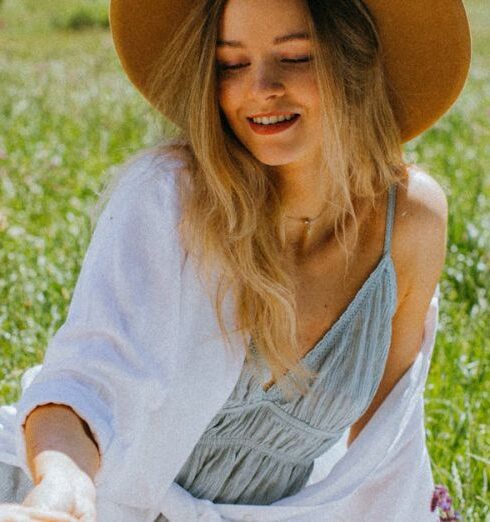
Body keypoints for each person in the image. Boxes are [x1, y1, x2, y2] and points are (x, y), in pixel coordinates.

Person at [0, 0, 471, 520]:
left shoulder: (409, 220)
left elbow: (388, 444)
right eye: (231, 64)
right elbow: (87, 380)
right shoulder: (167, 199)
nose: (260, 88)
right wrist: (64, 484)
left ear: (355, 61)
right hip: (86, 503)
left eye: (295, 58)